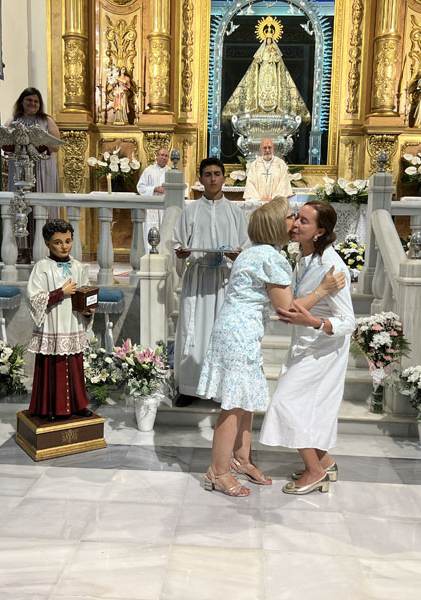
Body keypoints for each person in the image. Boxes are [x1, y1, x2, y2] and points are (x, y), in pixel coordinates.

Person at [197, 198, 346, 496]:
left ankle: (242, 460)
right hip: (240, 334)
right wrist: (323, 290)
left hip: (234, 330)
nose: (295, 221)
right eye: (291, 216)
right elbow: (287, 310)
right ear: (276, 224)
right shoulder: (271, 258)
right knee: (234, 406)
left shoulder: (254, 251)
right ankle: (218, 471)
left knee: (245, 400)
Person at [260, 200, 356, 495]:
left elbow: (349, 322)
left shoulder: (331, 266)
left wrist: (313, 322)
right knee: (307, 407)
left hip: (324, 348)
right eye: (296, 217)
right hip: (304, 343)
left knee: (286, 402)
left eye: (304, 221)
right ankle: (325, 462)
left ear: (319, 231)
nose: (295, 224)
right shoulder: (302, 257)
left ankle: (315, 472)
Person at [172, 157, 248, 408]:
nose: (213, 179)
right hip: (198, 280)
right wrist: (180, 253)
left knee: (222, 334)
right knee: (193, 332)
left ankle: (220, 389)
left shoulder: (235, 212)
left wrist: (237, 256)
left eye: (217, 174)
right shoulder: (190, 210)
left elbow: (245, 246)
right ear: (200, 179)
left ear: (224, 178)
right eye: (207, 174)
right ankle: (190, 387)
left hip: (224, 281)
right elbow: (177, 242)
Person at [26, 219, 95, 421]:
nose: (64, 246)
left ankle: (78, 404)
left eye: (68, 241)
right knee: (51, 366)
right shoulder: (42, 267)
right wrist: (60, 292)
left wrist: (88, 309)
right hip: (52, 325)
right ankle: (49, 408)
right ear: (47, 243)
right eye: (58, 242)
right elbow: (34, 298)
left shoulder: (78, 267)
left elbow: (86, 292)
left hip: (72, 322)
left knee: (74, 366)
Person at [7, 87, 61, 257]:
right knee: (22, 207)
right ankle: (23, 251)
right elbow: (5, 141)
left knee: (43, 206)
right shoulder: (13, 120)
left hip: (43, 168)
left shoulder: (46, 120)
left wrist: (37, 145)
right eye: (29, 100)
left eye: (36, 101)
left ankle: (49, 249)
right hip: (21, 168)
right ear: (22, 101)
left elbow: (56, 146)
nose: (33, 104)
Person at [137, 147, 170, 239]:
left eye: (166, 156)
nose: (164, 158)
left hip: (165, 207)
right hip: (151, 206)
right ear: (157, 156)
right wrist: (153, 189)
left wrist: (167, 190)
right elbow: (140, 187)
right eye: (162, 155)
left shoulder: (171, 172)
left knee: (165, 231)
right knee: (151, 229)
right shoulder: (148, 170)